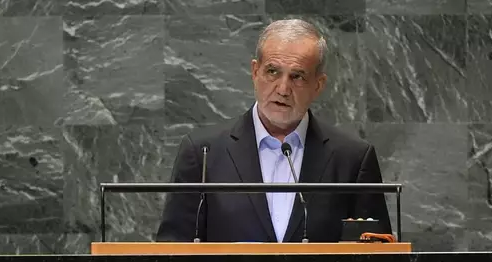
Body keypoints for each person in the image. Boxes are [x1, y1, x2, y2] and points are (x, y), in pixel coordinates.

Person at [156, 18, 391, 243]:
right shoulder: (202, 154)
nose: (283, 89)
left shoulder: (353, 159)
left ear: (318, 85)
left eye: (297, 76)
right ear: (255, 72)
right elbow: (171, 253)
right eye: (272, 72)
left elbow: (375, 261)